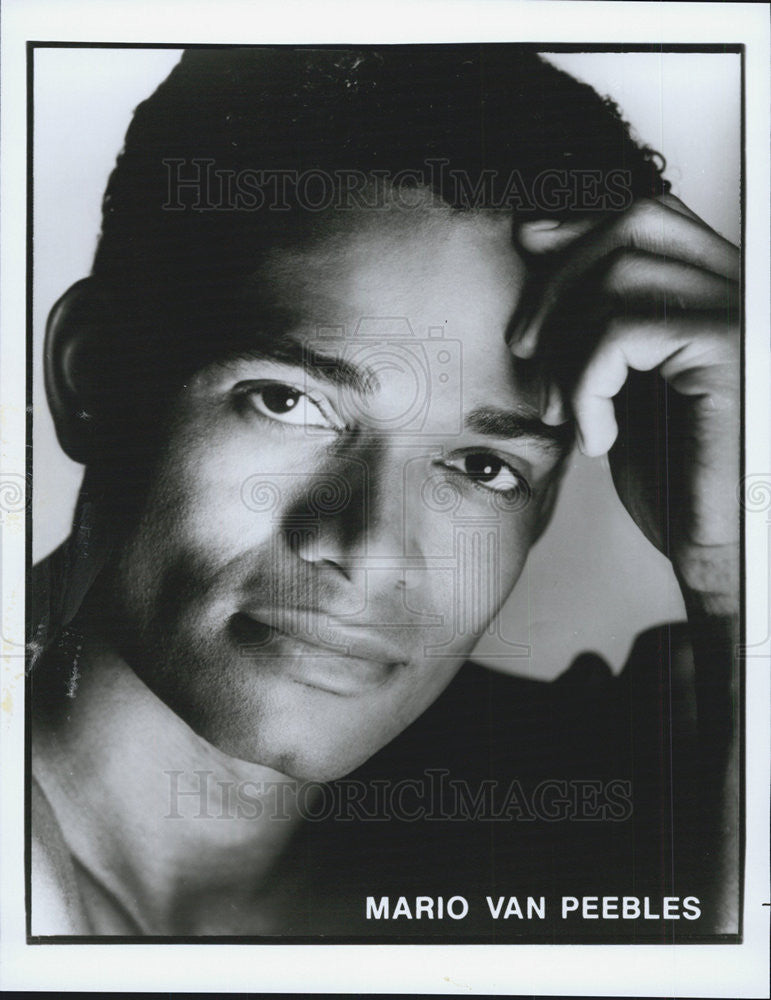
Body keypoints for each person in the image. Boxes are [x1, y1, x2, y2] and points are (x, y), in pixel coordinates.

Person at [29, 45, 740, 939]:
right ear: (94, 374)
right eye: (289, 401)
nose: (367, 546)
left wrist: (731, 571)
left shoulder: (634, 794)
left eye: (483, 465)